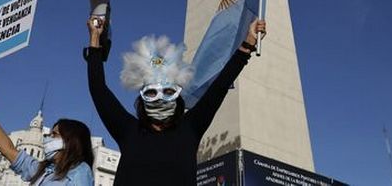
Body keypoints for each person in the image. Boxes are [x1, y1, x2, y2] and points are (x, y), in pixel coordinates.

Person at [85, 16, 267, 186]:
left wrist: (247, 45)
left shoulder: (190, 128)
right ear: (142, 97)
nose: (160, 98)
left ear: (178, 95)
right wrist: (95, 39)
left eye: (168, 91)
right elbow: (98, 90)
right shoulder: (128, 130)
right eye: (151, 93)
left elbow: (219, 87)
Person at [0, 89, 94, 185]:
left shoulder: (80, 172)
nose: (48, 138)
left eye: (54, 134)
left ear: (69, 141)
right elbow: (8, 150)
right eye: (49, 134)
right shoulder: (42, 170)